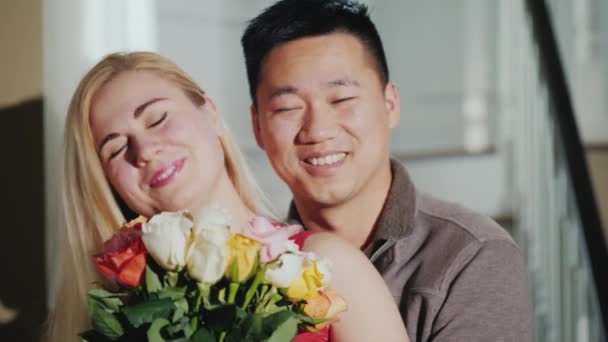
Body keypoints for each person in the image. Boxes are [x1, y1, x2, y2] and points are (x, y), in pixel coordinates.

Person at [45, 52, 409, 342]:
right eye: (116, 148)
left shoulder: (328, 265)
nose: (144, 150)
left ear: (211, 114)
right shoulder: (113, 313)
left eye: (157, 119)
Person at [241, 0, 534, 341]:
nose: (318, 130)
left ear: (390, 105)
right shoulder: (249, 268)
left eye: (342, 100)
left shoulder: (470, 255)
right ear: (257, 127)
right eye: (288, 107)